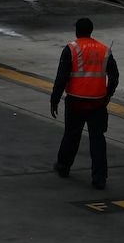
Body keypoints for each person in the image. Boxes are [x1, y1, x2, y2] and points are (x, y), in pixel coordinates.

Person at [50, 17, 118, 189]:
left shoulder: (71, 49)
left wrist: (55, 99)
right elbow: (114, 76)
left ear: (77, 31)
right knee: (97, 139)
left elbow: (61, 77)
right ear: (91, 31)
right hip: (97, 103)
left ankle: (64, 166)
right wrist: (108, 94)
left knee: (71, 135)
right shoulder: (104, 50)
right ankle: (99, 178)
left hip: (76, 101)